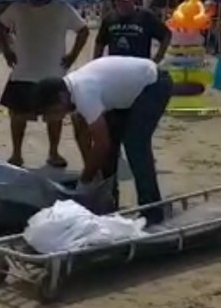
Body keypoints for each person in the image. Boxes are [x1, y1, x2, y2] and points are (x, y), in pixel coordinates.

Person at [34, 56, 173, 223]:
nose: (50, 118)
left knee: (135, 144)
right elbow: (82, 135)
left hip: (153, 83)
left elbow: (101, 143)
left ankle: (152, 211)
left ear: (61, 98)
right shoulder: (70, 92)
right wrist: (93, 174)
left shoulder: (83, 92)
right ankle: (109, 204)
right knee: (110, 149)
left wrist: (85, 180)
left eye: (51, 111)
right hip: (125, 94)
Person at [0, 0, 89, 168]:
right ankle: (16, 154)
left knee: (55, 117)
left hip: (53, 72)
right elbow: (0, 25)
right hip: (23, 71)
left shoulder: (62, 7)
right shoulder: (18, 6)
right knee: (17, 116)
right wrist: (6, 50)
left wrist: (72, 56)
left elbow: (83, 31)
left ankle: (53, 153)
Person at [94, 0, 171, 62]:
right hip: (116, 66)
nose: (120, 4)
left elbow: (166, 35)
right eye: (118, 0)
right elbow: (100, 42)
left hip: (139, 66)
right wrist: (96, 63)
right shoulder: (109, 18)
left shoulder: (146, 16)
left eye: (124, 0)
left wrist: (158, 58)